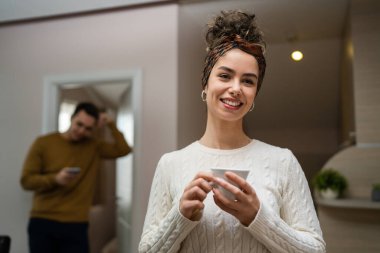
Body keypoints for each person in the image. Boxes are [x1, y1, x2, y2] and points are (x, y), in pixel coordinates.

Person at [139, 10, 326, 253]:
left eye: (248, 81)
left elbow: (316, 250)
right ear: (206, 83)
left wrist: (257, 217)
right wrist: (180, 216)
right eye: (225, 76)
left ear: (254, 94)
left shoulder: (283, 162)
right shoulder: (170, 164)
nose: (236, 88)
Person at [20, 102, 131, 253]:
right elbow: (26, 180)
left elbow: (123, 149)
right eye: (79, 124)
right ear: (72, 118)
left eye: (88, 129)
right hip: (43, 221)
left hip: (76, 224)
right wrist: (55, 179)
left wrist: (111, 123)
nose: (81, 131)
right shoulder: (44, 143)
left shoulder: (94, 146)